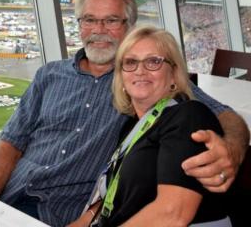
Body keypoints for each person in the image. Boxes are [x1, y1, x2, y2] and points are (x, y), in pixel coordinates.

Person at [0, 0, 249, 227]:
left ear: (129, 27)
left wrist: (232, 153)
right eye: (89, 20)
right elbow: (11, 142)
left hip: (53, 212)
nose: (99, 30)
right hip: (7, 190)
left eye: (111, 21)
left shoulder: (145, 82)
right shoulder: (49, 75)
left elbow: (226, 117)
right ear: (78, 25)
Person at [69, 26, 232, 227]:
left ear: (173, 74)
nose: (140, 70)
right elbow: (121, 193)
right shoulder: (132, 126)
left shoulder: (190, 117)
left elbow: (172, 214)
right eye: (130, 62)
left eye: (153, 61)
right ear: (121, 77)